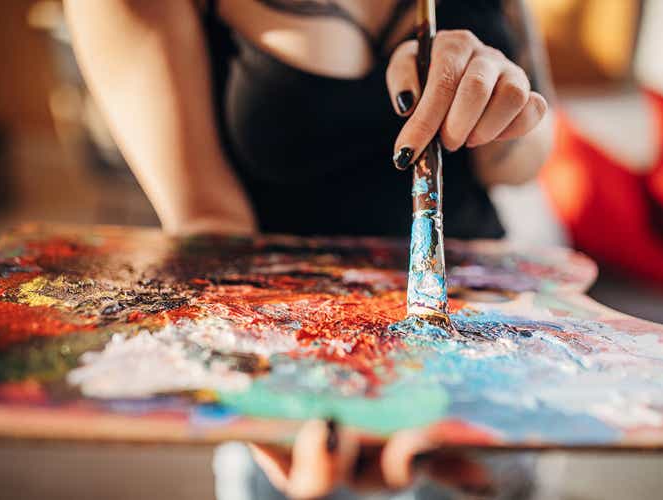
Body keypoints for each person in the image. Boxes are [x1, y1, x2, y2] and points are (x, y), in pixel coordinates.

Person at [64, 1, 555, 498]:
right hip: (291, 376)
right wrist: (270, 391)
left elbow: (525, 161)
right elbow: (210, 226)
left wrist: (493, 104)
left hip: (485, 364)